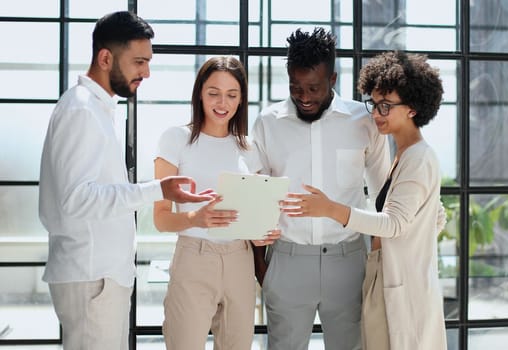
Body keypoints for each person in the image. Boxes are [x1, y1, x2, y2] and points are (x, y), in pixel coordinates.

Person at [38, 11, 216, 350]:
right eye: (139, 62)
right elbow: (76, 200)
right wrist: (157, 190)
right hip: (92, 276)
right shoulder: (81, 110)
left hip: (99, 277)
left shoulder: (95, 109)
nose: (146, 73)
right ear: (105, 58)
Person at [282, 51, 447, 350]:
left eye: (386, 106)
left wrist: (331, 209)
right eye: (374, 104)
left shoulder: (418, 158)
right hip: (391, 275)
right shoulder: (405, 154)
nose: (375, 114)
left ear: (413, 107)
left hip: (402, 287)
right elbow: (436, 216)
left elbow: (395, 223)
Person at [248, 27, 391, 350]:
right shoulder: (267, 123)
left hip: (349, 261)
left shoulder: (364, 122)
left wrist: (377, 261)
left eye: (313, 87)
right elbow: (256, 198)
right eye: (295, 87)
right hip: (287, 260)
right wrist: (262, 268)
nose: (304, 96)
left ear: (333, 79)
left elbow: (384, 195)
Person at [153, 56, 281, 350]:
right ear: (199, 93)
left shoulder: (249, 148)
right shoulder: (175, 139)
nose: (222, 102)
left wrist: (262, 231)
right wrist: (195, 218)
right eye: (213, 93)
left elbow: (255, 215)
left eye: (232, 95)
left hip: (240, 259)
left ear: (240, 100)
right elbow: (161, 218)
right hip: (194, 258)